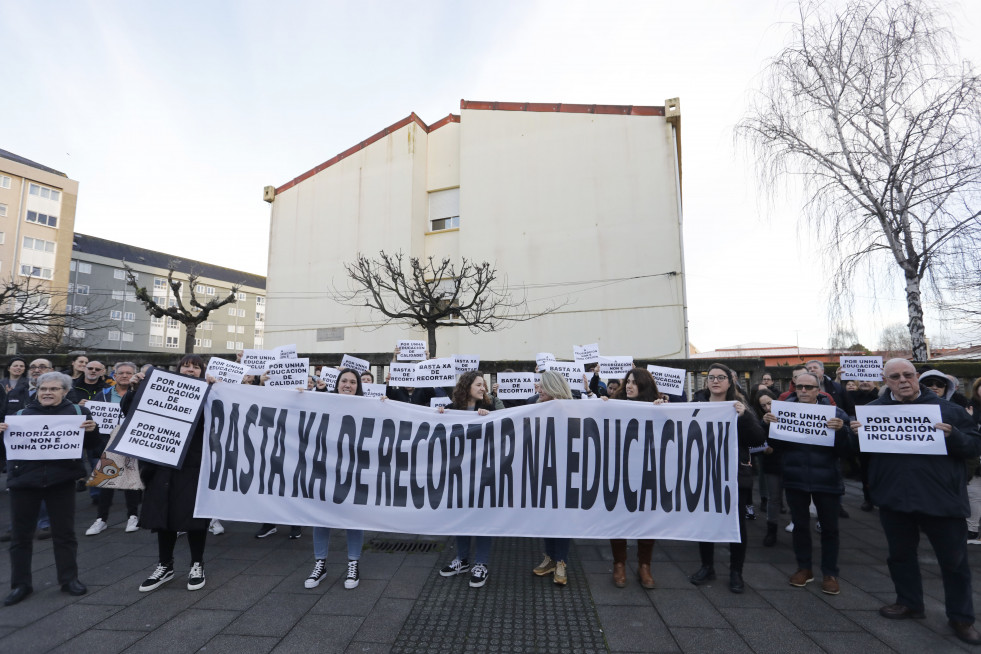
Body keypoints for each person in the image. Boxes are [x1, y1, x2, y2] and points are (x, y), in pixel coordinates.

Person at [854, 359, 981, 645]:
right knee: (899, 556)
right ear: (885, 381)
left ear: (917, 377)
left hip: (942, 499)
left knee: (954, 562)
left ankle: (961, 618)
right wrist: (852, 434)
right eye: (895, 376)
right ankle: (909, 602)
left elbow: (974, 446)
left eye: (908, 375)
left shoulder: (949, 410)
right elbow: (858, 454)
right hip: (894, 497)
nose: (903, 380)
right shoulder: (872, 412)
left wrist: (954, 435)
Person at [1, 371, 101, 605]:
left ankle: (69, 579)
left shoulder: (78, 413)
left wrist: (92, 432)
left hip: (61, 481)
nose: (48, 393)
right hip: (24, 482)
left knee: (65, 534)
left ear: (65, 392)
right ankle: (20, 584)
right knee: (21, 536)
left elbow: (94, 448)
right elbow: (7, 450)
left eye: (54, 389)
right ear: (37, 391)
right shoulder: (20, 415)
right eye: (44, 389)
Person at [762, 371, 855, 596]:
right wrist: (767, 425)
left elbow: (850, 450)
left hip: (827, 479)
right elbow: (775, 446)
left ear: (818, 390)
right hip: (795, 478)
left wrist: (841, 431)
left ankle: (830, 573)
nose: (803, 390)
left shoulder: (836, 413)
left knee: (830, 529)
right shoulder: (783, 410)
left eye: (809, 387)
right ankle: (804, 568)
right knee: (800, 526)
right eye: (799, 386)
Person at [135, 355, 213, 593]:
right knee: (163, 516)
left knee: (194, 518)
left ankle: (197, 564)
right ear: (178, 369)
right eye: (186, 366)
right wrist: (136, 388)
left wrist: (216, 388)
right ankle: (164, 565)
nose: (190, 370)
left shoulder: (211, 392)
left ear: (202, 371)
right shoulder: (158, 390)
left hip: (193, 464)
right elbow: (130, 411)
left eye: (196, 367)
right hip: (163, 464)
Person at [687, 363, 765, 593]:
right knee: (705, 521)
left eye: (721, 377)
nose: (715, 381)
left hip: (733, 475)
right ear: (706, 381)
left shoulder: (739, 407)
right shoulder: (696, 405)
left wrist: (744, 417)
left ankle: (736, 571)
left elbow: (757, 439)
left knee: (737, 525)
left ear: (730, 382)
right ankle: (707, 566)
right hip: (704, 472)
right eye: (711, 377)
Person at [304, 369, 365, 590]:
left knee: (354, 517)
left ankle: (353, 563)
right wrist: (300, 393)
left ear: (358, 386)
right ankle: (320, 564)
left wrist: (386, 402)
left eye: (352, 382)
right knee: (321, 517)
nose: (347, 385)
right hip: (325, 470)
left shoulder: (368, 407)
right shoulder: (323, 401)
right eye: (343, 381)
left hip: (354, 472)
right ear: (337, 384)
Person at [605, 367, 665, 589]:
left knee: (646, 519)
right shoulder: (615, 404)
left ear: (644, 385)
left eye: (634, 382)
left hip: (647, 472)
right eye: (627, 381)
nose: (629, 385)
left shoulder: (657, 407)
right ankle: (619, 563)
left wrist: (663, 411)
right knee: (618, 518)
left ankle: (644, 565)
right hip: (620, 472)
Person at [438, 370, 498, 588]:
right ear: (467, 387)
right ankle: (462, 560)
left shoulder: (490, 409)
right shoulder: (452, 410)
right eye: (479, 384)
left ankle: (480, 564)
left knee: (481, 519)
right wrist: (439, 416)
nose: (483, 388)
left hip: (482, 474)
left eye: (484, 385)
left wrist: (488, 419)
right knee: (461, 517)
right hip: (458, 474)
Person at [85, 362, 143, 537]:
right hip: (108, 443)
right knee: (106, 481)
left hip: (132, 443)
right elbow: (93, 419)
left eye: (129, 373)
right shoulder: (102, 395)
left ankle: (132, 516)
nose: (125, 376)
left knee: (130, 480)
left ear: (135, 375)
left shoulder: (141, 394)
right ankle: (101, 519)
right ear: (114, 376)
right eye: (121, 373)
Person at [530, 371, 575, 586]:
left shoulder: (574, 409)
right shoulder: (533, 404)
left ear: (553, 388)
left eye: (543, 387)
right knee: (547, 516)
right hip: (543, 471)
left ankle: (561, 561)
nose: (539, 390)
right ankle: (549, 558)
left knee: (562, 517)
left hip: (566, 471)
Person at [754, 389, 784, 546]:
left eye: (769, 403)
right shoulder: (762, 420)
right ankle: (771, 530)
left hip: (789, 461)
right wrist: (764, 424)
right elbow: (758, 437)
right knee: (774, 498)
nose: (767, 408)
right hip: (772, 462)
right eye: (763, 405)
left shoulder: (788, 413)